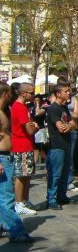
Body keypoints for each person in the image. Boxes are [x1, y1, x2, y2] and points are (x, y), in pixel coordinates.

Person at [0, 82, 34, 243]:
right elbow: (28, 129)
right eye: (9, 94)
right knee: (7, 197)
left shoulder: (5, 111)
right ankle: (16, 230)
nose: (11, 96)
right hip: (3, 156)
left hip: (7, 155)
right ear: (4, 94)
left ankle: (3, 226)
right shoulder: (11, 110)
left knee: (4, 196)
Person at [46, 82, 78, 210]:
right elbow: (61, 128)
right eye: (66, 91)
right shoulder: (53, 108)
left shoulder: (64, 108)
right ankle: (51, 198)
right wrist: (69, 126)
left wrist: (69, 126)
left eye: (69, 90)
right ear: (58, 94)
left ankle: (62, 195)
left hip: (66, 144)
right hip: (56, 145)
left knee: (65, 172)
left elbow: (73, 124)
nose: (69, 93)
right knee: (56, 173)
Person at [10, 83, 38, 215]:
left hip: (27, 144)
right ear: (23, 93)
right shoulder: (19, 107)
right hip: (21, 145)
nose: (33, 95)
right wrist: (33, 126)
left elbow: (31, 125)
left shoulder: (24, 107)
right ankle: (19, 202)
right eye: (31, 93)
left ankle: (25, 200)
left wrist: (33, 125)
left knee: (27, 175)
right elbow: (30, 129)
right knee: (21, 176)